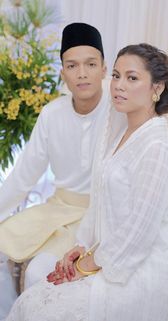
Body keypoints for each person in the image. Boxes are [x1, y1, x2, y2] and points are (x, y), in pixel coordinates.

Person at [6, 43, 168, 321]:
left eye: (132, 78)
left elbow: (138, 232)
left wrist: (88, 265)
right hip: (110, 256)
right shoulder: (122, 135)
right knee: (35, 297)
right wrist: (81, 247)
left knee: (44, 308)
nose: (119, 85)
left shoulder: (157, 147)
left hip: (141, 271)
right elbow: (100, 203)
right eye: (117, 76)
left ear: (156, 88)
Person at [0, 22, 109, 312]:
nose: (82, 73)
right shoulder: (51, 113)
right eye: (72, 66)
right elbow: (23, 175)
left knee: (40, 272)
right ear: (62, 73)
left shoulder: (118, 108)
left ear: (104, 69)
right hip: (58, 208)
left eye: (91, 64)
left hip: (100, 216)